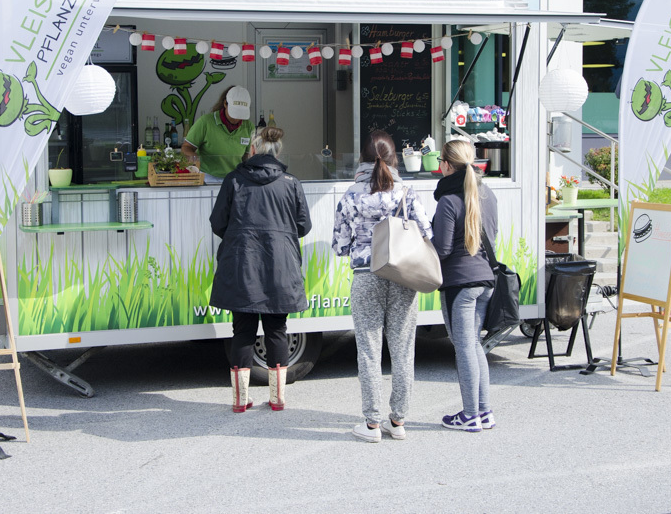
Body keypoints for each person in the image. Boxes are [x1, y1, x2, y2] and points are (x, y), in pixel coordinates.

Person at [332, 129, 432, 442]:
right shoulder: (406, 193)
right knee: (403, 350)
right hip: (403, 275)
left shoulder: (351, 195)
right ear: (394, 158)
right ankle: (398, 421)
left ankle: (372, 423)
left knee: (369, 351)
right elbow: (427, 232)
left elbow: (339, 245)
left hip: (366, 275)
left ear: (363, 157)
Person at [209, 126, 312, 412]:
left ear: (252, 150)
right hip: (281, 265)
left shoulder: (233, 181)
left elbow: (218, 222)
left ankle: (240, 400)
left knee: (242, 330)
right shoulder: (290, 182)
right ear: (277, 152)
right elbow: (304, 226)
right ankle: (277, 399)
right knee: (277, 329)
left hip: (241, 263)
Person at [431, 139, 499, 432]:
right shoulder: (488, 194)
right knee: (474, 345)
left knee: (464, 348)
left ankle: (470, 414)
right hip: (485, 280)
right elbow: (493, 235)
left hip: (460, 283)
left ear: (445, 165)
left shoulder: (448, 200)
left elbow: (442, 249)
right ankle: (484, 412)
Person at [182, 85, 255, 182]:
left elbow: (247, 156)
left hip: (235, 177)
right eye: (234, 113)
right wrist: (193, 157)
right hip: (208, 177)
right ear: (225, 104)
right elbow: (186, 147)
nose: (237, 118)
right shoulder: (205, 122)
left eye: (241, 114)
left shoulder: (248, 126)